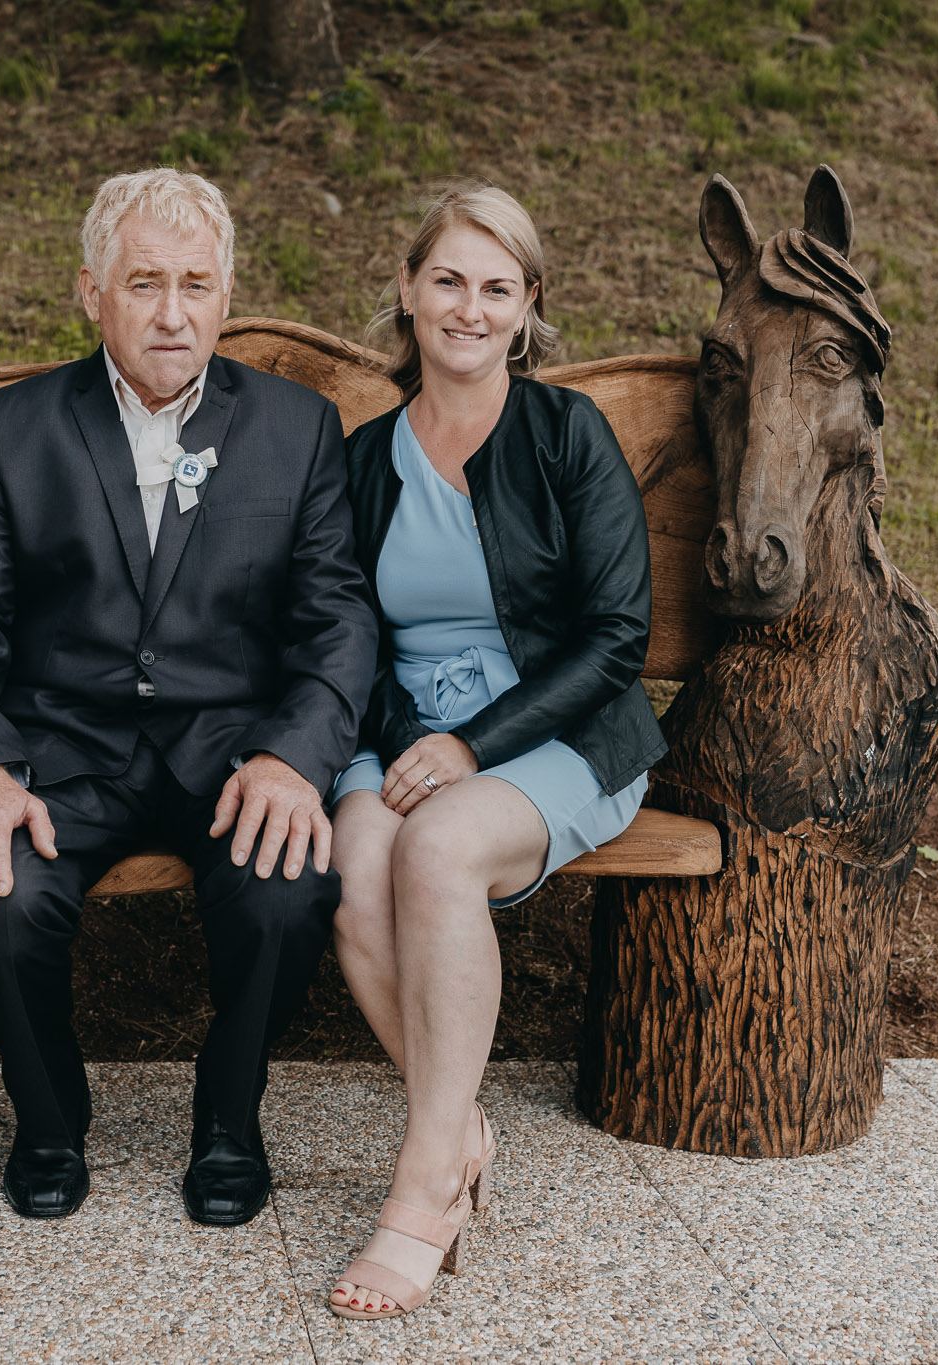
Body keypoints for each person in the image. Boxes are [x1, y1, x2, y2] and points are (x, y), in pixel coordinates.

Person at [0, 168, 377, 1226]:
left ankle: (228, 1116)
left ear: (226, 294)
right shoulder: (15, 428)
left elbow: (337, 621)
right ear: (91, 291)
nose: (173, 313)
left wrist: (292, 759)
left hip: (230, 753)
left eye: (196, 285)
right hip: (63, 752)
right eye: (144, 283)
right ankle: (46, 1116)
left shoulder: (297, 428)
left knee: (289, 888)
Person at [324, 184, 664, 1319]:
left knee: (436, 850)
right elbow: (346, 636)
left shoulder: (567, 435)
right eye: (448, 280)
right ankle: (460, 1124)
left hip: (557, 732)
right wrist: (407, 747)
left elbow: (615, 636)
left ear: (527, 308)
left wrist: (471, 748)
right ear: (408, 291)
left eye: (496, 288)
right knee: (354, 864)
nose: (469, 308)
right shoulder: (365, 460)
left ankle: (425, 1189)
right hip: (403, 732)